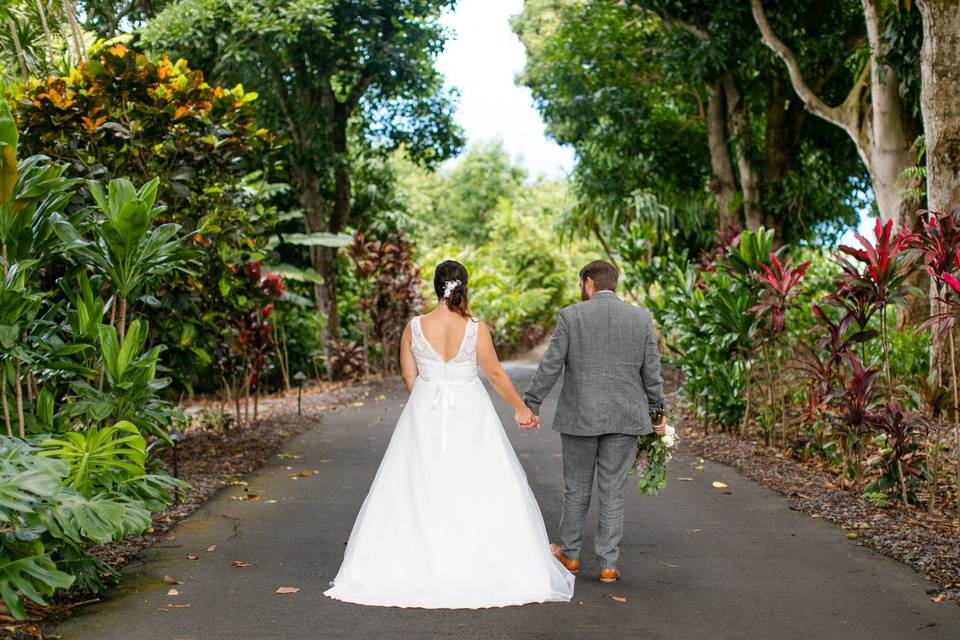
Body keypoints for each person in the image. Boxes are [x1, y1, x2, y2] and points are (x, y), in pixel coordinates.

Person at [324, 260, 575, 608]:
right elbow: (496, 375)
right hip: (470, 409)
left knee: (416, 481)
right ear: (464, 287)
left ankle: (402, 565)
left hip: (424, 408)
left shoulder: (414, 326)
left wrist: (426, 401)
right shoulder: (474, 328)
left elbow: (409, 375)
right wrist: (521, 409)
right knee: (477, 479)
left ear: (435, 286)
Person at [523, 260, 667, 584]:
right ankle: (608, 565)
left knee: (576, 489)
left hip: (579, 417)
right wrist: (658, 414)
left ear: (588, 283)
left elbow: (551, 365)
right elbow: (652, 376)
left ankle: (571, 556)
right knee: (613, 492)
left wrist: (532, 403)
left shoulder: (571, 317)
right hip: (625, 417)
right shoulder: (641, 319)